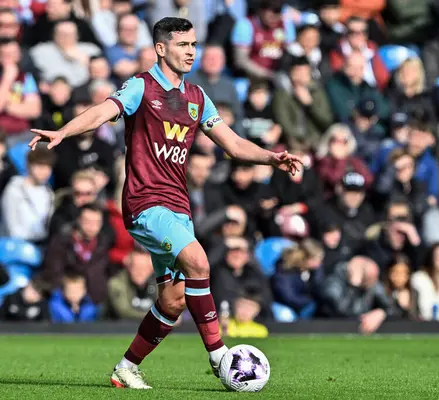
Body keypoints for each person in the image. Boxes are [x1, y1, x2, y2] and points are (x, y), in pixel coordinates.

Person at [28, 17, 302, 390]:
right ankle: (221, 355)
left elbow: (234, 144)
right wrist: (62, 131)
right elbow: (102, 112)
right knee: (198, 260)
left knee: (173, 302)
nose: (191, 51)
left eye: (194, 44)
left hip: (178, 206)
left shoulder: (197, 97)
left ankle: (126, 368)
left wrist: (271, 158)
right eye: (183, 44)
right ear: (161, 48)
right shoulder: (141, 87)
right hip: (145, 202)